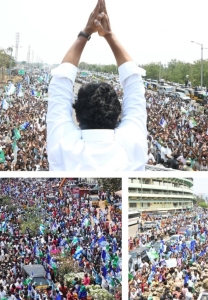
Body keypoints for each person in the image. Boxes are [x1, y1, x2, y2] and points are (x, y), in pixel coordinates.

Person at [47, 0, 148, 171]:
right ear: (118, 115)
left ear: (77, 117)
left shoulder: (63, 146)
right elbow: (134, 84)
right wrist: (108, 34)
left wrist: (86, 32)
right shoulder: (132, 143)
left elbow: (60, 83)